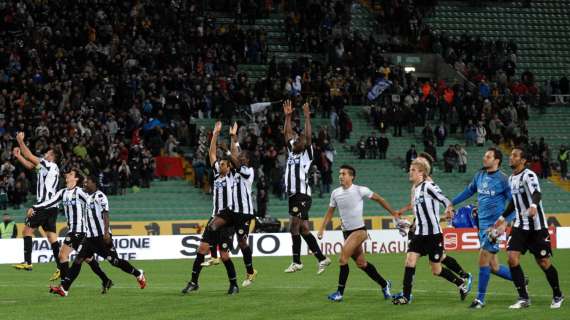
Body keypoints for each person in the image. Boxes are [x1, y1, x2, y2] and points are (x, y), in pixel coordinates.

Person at [49, 175, 146, 297]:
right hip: (89, 238)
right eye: (83, 182)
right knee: (78, 260)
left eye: (87, 182)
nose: (84, 184)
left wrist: (106, 233)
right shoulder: (87, 197)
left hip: (101, 237)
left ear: (94, 183)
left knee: (114, 261)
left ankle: (138, 273)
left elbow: (105, 214)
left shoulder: (100, 196)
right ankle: (64, 289)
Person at [492, 147, 564, 309]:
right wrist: (503, 217)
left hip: (537, 227)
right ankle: (523, 298)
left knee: (543, 262)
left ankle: (558, 294)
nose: (511, 157)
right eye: (511, 155)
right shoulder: (511, 178)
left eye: (515, 155)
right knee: (512, 258)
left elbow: (537, 193)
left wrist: (533, 206)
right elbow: (514, 202)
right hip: (520, 226)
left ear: (523, 160)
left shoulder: (529, 175)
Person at [392, 159, 471, 305]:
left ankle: (461, 283)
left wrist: (449, 208)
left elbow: (444, 198)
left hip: (434, 235)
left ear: (421, 172)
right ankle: (406, 296)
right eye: (410, 169)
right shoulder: (415, 190)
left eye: (413, 170)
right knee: (410, 261)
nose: (410, 172)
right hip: (419, 235)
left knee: (436, 270)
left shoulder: (429, 186)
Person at [445, 147, 516, 308]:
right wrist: (451, 203)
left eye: (488, 156)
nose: (484, 158)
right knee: (494, 267)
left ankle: (480, 299)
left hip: (494, 228)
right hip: (481, 227)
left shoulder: (504, 180)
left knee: (483, 260)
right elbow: (468, 191)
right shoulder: (479, 175)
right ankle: (519, 279)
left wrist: (505, 223)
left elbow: (515, 205)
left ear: (496, 160)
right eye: (484, 156)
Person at [318, 165, 398, 301]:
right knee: (362, 264)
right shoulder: (335, 193)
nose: (340, 176)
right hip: (346, 233)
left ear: (351, 176)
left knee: (343, 258)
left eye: (343, 174)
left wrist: (394, 213)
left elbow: (379, 199)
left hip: (360, 231)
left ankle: (339, 293)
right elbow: (330, 212)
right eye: (339, 174)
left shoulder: (360, 190)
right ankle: (385, 284)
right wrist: (322, 228)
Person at [182, 121, 240, 295]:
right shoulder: (216, 173)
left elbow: (235, 155)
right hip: (214, 216)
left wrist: (232, 137)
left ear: (229, 167)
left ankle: (234, 284)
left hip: (227, 220)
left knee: (224, 256)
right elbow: (212, 153)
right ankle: (194, 282)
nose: (221, 165)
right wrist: (215, 134)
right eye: (220, 163)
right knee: (201, 249)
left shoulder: (234, 176)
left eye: (224, 164)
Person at [29, 169, 110, 291]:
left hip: (80, 231)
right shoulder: (62, 193)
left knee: (62, 255)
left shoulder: (80, 192)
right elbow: (49, 202)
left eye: (71, 174)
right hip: (74, 230)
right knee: (89, 259)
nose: (67, 175)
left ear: (76, 179)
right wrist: (35, 207)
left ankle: (63, 286)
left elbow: (94, 199)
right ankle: (106, 280)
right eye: (67, 174)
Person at [282, 100, 331, 274]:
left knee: (293, 227)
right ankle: (322, 258)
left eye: (300, 140)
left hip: (302, 194)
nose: (297, 140)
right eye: (296, 140)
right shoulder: (292, 150)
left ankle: (297, 262)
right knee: (302, 228)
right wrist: (287, 117)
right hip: (293, 195)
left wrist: (306, 117)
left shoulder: (306, 154)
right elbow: (287, 134)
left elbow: (309, 136)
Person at [12, 132, 61, 281]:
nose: (46, 154)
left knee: (27, 230)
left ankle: (27, 262)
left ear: (52, 157)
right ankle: (61, 267)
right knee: (52, 237)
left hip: (44, 205)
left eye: (48, 153)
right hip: (52, 206)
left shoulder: (49, 164)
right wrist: (19, 156)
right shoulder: (49, 168)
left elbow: (30, 155)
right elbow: (30, 164)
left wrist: (20, 141)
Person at [228, 122, 258, 287]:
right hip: (234, 211)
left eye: (244, 157)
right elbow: (235, 155)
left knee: (242, 242)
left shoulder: (248, 171)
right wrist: (234, 138)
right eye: (241, 157)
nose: (241, 158)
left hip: (244, 213)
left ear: (248, 160)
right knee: (237, 241)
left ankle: (250, 272)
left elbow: (235, 158)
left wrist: (228, 150)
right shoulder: (237, 170)